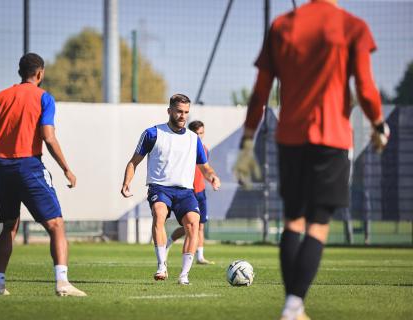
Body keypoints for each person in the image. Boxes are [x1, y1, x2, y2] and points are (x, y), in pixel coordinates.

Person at [233, 1, 389, 319]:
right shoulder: (353, 26)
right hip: (331, 139)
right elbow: (366, 87)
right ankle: (293, 306)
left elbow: (260, 92)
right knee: (318, 227)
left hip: (290, 138)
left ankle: (295, 307)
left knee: (293, 222)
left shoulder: (282, 26)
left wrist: (248, 140)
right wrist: (378, 123)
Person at [0, 53, 86, 297]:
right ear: (40, 73)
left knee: (9, 226)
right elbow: (48, 136)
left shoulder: (0, 97)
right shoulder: (43, 97)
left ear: (20, 72)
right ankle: (62, 283)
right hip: (29, 166)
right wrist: (66, 168)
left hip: (3, 167)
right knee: (56, 224)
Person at [121, 94, 221, 285]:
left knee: (193, 223)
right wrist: (127, 182)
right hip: (160, 187)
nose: (182, 116)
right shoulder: (153, 133)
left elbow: (204, 167)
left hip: (185, 191)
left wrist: (213, 177)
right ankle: (161, 265)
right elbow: (134, 162)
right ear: (169, 111)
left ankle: (184, 275)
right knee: (159, 214)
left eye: (186, 112)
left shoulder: (193, 139)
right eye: (179, 111)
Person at [166, 120, 214, 265]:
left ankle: (200, 256)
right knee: (189, 226)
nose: (199, 136)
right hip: (188, 191)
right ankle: (168, 243)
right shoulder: (184, 147)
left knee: (200, 225)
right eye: (196, 133)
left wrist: (212, 178)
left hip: (201, 191)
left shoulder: (205, 149)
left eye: (201, 133)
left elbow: (205, 168)